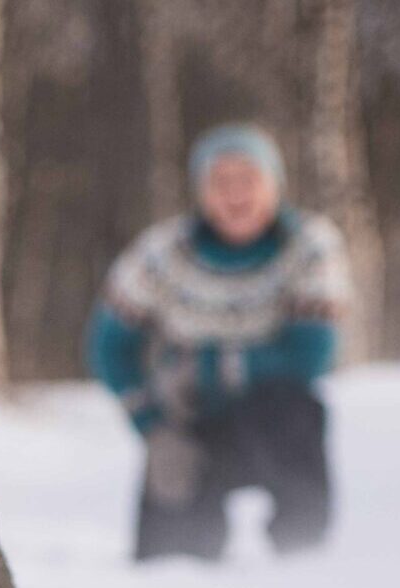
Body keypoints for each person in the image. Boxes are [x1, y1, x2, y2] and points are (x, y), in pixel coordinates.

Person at [86, 123, 352, 561]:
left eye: (248, 179)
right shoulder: (161, 253)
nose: (235, 193)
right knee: (166, 565)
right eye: (220, 181)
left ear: (274, 185)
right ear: (201, 192)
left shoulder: (310, 245)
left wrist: (210, 366)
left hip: (274, 417)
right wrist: (151, 425)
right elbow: (108, 346)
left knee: (296, 412)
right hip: (190, 421)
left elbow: (312, 354)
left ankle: (303, 563)